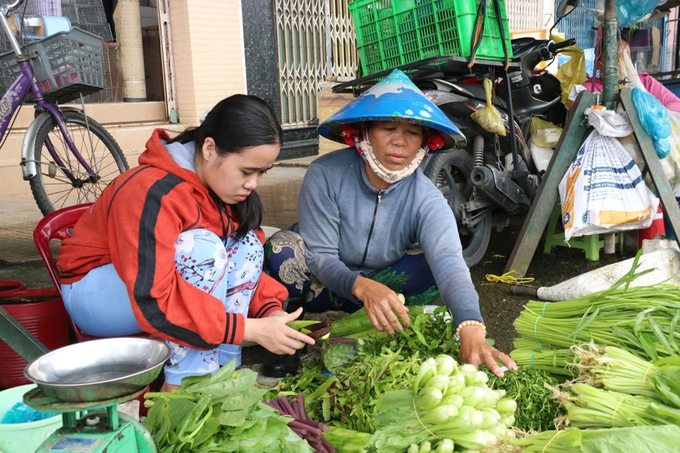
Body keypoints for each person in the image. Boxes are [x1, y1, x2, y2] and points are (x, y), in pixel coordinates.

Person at [265, 70, 517, 377]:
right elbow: (321, 256)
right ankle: (289, 343)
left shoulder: (425, 197)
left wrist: (471, 325)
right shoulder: (325, 174)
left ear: (425, 141)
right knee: (282, 249)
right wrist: (361, 285)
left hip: (385, 286)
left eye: (412, 133)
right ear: (364, 132)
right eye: (388, 128)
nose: (400, 142)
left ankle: (371, 333)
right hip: (325, 283)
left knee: (434, 266)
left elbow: (450, 263)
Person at [57, 95, 314, 391]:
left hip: (145, 286)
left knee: (249, 245)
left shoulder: (224, 190)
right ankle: (185, 385)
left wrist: (270, 312)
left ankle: (224, 370)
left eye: (261, 173)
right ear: (209, 149)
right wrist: (246, 329)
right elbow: (153, 295)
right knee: (203, 250)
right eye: (246, 171)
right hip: (97, 294)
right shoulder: (150, 190)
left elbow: (246, 266)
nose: (253, 183)